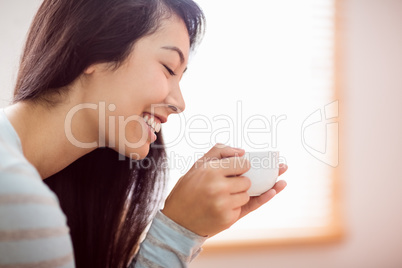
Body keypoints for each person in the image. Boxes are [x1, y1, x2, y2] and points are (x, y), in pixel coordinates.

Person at [0, 0, 288, 267]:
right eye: (168, 68)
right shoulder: (19, 201)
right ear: (93, 49)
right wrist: (178, 233)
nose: (179, 103)